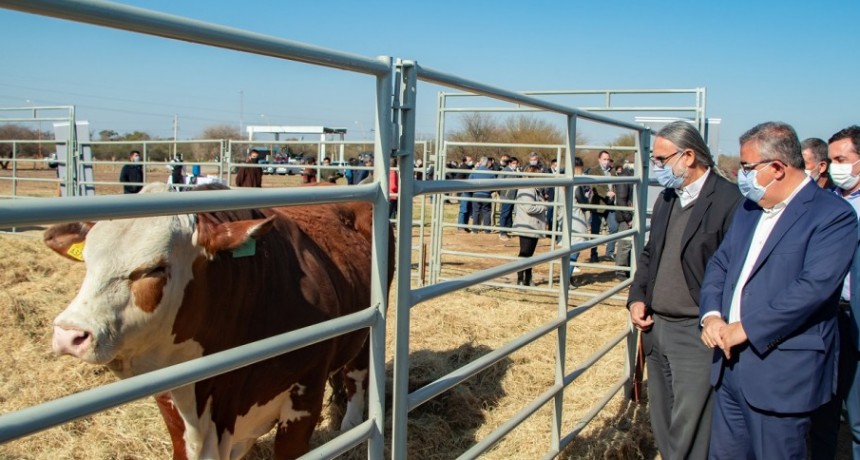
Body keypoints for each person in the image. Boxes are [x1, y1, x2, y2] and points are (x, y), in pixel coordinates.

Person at [699, 121, 856, 459]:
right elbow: (720, 264)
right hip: (728, 367)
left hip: (781, 372)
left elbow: (813, 288)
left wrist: (748, 327)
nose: (741, 175)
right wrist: (711, 315)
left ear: (777, 168)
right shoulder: (749, 209)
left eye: (746, 167)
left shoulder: (832, 216)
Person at [627, 121, 742, 460]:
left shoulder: (729, 201)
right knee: (661, 416)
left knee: (690, 422)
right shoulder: (667, 198)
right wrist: (637, 298)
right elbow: (651, 253)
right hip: (656, 326)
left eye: (662, 159)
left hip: (695, 331)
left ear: (689, 156)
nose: (658, 167)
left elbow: (732, 270)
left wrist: (715, 318)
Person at [810, 125, 860, 460]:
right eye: (831, 159)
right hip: (828, 319)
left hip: (857, 319)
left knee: (857, 419)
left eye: (842, 158)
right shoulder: (824, 203)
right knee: (822, 412)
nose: (834, 166)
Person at [512, 165, 547, 286]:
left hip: (532, 225)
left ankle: (527, 278)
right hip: (527, 225)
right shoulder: (527, 188)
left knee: (529, 254)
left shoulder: (534, 189)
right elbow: (529, 207)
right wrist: (544, 206)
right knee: (525, 253)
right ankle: (522, 278)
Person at [585, 150, 619, 262]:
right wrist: (606, 193)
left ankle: (609, 253)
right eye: (604, 159)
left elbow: (616, 185)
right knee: (595, 231)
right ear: (599, 159)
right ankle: (593, 254)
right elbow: (595, 186)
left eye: (608, 159)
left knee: (614, 228)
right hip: (598, 204)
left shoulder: (613, 172)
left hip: (611, 205)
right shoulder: (593, 171)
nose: (606, 161)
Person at [612, 164, 634, 280]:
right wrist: (628, 218)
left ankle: (626, 269)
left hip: (628, 215)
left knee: (628, 244)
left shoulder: (629, 175)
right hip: (626, 217)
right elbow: (621, 200)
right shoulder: (625, 177)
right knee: (625, 244)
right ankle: (620, 271)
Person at [469, 156, 494, 233]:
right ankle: (487, 230)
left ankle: (475, 229)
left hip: (476, 193)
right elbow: (495, 183)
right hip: (486, 194)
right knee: (487, 211)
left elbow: (470, 181)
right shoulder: (491, 173)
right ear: (487, 163)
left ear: (480, 162)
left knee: (476, 211)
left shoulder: (475, 171)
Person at [498, 156, 519, 240]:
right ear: (510, 163)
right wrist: (503, 194)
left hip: (512, 196)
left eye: (516, 163)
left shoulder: (515, 171)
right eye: (514, 163)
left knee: (509, 214)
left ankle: (506, 231)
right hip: (506, 196)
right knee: (505, 214)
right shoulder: (505, 171)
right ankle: (502, 233)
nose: (516, 165)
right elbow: (499, 183)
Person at [456, 155, 475, 233]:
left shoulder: (469, 168)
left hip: (468, 191)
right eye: (469, 160)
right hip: (464, 191)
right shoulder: (463, 168)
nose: (471, 161)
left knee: (468, 210)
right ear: (465, 161)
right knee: (464, 209)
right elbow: (458, 179)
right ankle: (461, 227)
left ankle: (465, 226)